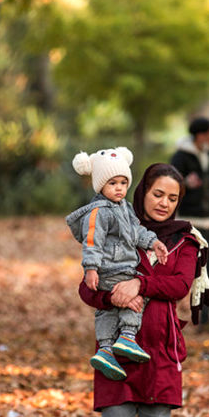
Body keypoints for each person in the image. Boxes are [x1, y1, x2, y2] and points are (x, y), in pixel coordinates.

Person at [78, 163, 207, 417]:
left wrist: (140, 285)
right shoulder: (114, 225)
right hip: (116, 347)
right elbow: (86, 289)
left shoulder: (187, 240)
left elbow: (179, 285)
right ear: (142, 191)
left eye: (172, 198)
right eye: (157, 194)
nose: (164, 203)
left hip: (161, 345)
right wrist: (112, 298)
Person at [66, 147, 169, 381]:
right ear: (101, 185)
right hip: (110, 268)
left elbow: (137, 232)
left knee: (108, 309)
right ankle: (128, 336)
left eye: (123, 182)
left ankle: (104, 349)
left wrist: (153, 243)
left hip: (120, 267)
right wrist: (90, 269)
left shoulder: (126, 208)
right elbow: (92, 241)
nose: (119, 188)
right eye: (113, 183)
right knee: (138, 296)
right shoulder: (99, 212)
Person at [170, 116, 209, 330]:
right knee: (184, 274)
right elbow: (169, 184)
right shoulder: (180, 157)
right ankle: (168, 318)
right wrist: (185, 184)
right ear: (201, 135)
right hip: (189, 222)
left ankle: (204, 319)